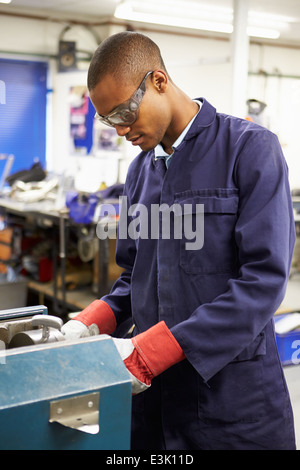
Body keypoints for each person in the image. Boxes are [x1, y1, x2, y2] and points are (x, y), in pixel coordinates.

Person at [62, 31, 296, 450]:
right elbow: (135, 276)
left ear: (158, 81)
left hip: (232, 403)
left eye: (124, 113)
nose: (121, 130)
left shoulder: (248, 150)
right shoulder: (139, 174)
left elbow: (262, 282)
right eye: (109, 120)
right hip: (153, 402)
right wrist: (93, 319)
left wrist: (155, 351)